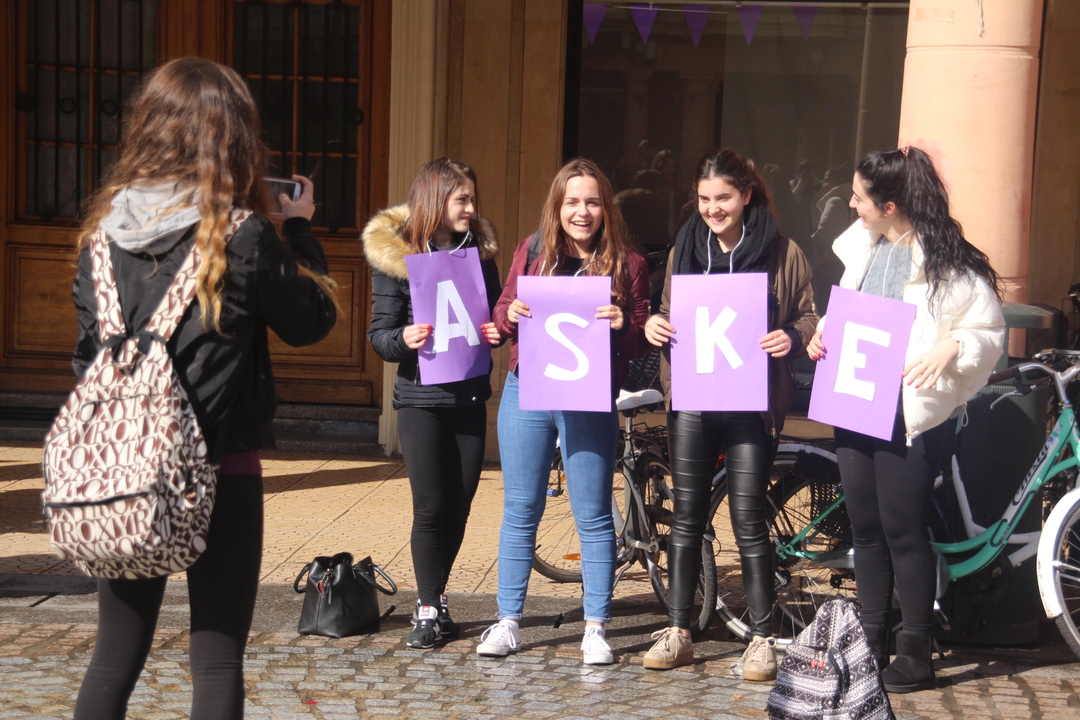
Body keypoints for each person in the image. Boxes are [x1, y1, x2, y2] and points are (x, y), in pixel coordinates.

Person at [70, 58, 338, 720]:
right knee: (216, 660)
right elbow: (312, 321)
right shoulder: (243, 237)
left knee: (113, 655)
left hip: (122, 475)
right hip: (220, 466)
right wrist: (299, 229)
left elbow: (87, 360)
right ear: (233, 139)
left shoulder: (100, 240)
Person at [807, 146, 1005, 693]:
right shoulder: (862, 247)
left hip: (909, 414)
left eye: (858, 197)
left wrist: (952, 347)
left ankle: (916, 652)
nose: (852, 205)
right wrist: (824, 333)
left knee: (903, 530)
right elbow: (850, 311)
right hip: (854, 401)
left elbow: (987, 331)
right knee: (866, 530)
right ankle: (870, 645)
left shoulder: (948, 264)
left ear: (889, 205)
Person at [642, 148, 818, 677]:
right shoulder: (685, 246)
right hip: (693, 400)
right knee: (687, 518)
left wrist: (791, 338)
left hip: (750, 404)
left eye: (723, 198)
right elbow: (667, 312)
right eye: (703, 199)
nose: (712, 209)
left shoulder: (782, 251)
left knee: (748, 520)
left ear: (746, 195)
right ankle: (678, 631)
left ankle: (762, 638)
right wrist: (654, 325)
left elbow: (809, 317)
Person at [479, 158, 650, 665]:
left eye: (592, 202)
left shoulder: (628, 262)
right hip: (527, 389)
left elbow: (643, 336)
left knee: (593, 514)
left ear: (606, 207)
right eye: (572, 201)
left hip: (588, 396)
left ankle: (595, 627)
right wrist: (508, 315)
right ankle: (508, 621)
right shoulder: (533, 251)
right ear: (557, 206)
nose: (582, 212)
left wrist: (625, 323)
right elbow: (502, 310)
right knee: (520, 509)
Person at [362, 157, 502, 649]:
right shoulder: (399, 258)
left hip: (469, 395)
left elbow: (495, 314)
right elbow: (379, 336)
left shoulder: (479, 253)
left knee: (460, 504)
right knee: (431, 505)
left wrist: (497, 330)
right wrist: (404, 338)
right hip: (420, 398)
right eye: (461, 199)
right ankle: (427, 607)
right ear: (435, 200)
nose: (471, 208)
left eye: (472, 199)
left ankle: (437, 598)